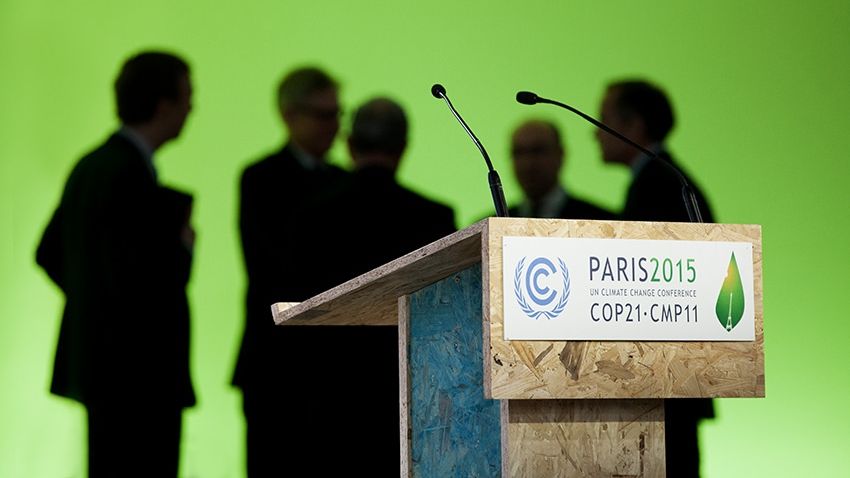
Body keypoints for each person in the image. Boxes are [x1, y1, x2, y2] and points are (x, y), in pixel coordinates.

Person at [35, 51, 195, 477]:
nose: (192, 108)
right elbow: (145, 276)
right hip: (140, 375)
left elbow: (48, 253)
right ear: (164, 105)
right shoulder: (131, 176)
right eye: (187, 97)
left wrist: (92, 304)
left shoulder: (90, 166)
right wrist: (182, 246)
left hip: (105, 370)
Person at [298, 96, 456, 473]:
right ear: (403, 147)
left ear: (350, 145)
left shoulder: (311, 216)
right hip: (408, 391)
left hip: (328, 395)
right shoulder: (434, 217)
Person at [232, 66, 350, 477]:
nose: (333, 125)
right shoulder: (259, 179)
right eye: (322, 114)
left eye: (337, 114)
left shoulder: (345, 181)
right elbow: (269, 265)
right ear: (288, 114)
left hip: (333, 367)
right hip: (276, 363)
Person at [596, 78, 715, 477]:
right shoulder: (664, 179)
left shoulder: (662, 185)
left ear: (634, 125)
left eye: (604, 119)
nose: (595, 132)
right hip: (668, 383)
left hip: (664, 385)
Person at [509, 119, 613, 219]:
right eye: (518, 153)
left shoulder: (602, 222)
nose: (528, 163)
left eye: (538, 151)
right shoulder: (496, 225)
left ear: (560, 154)